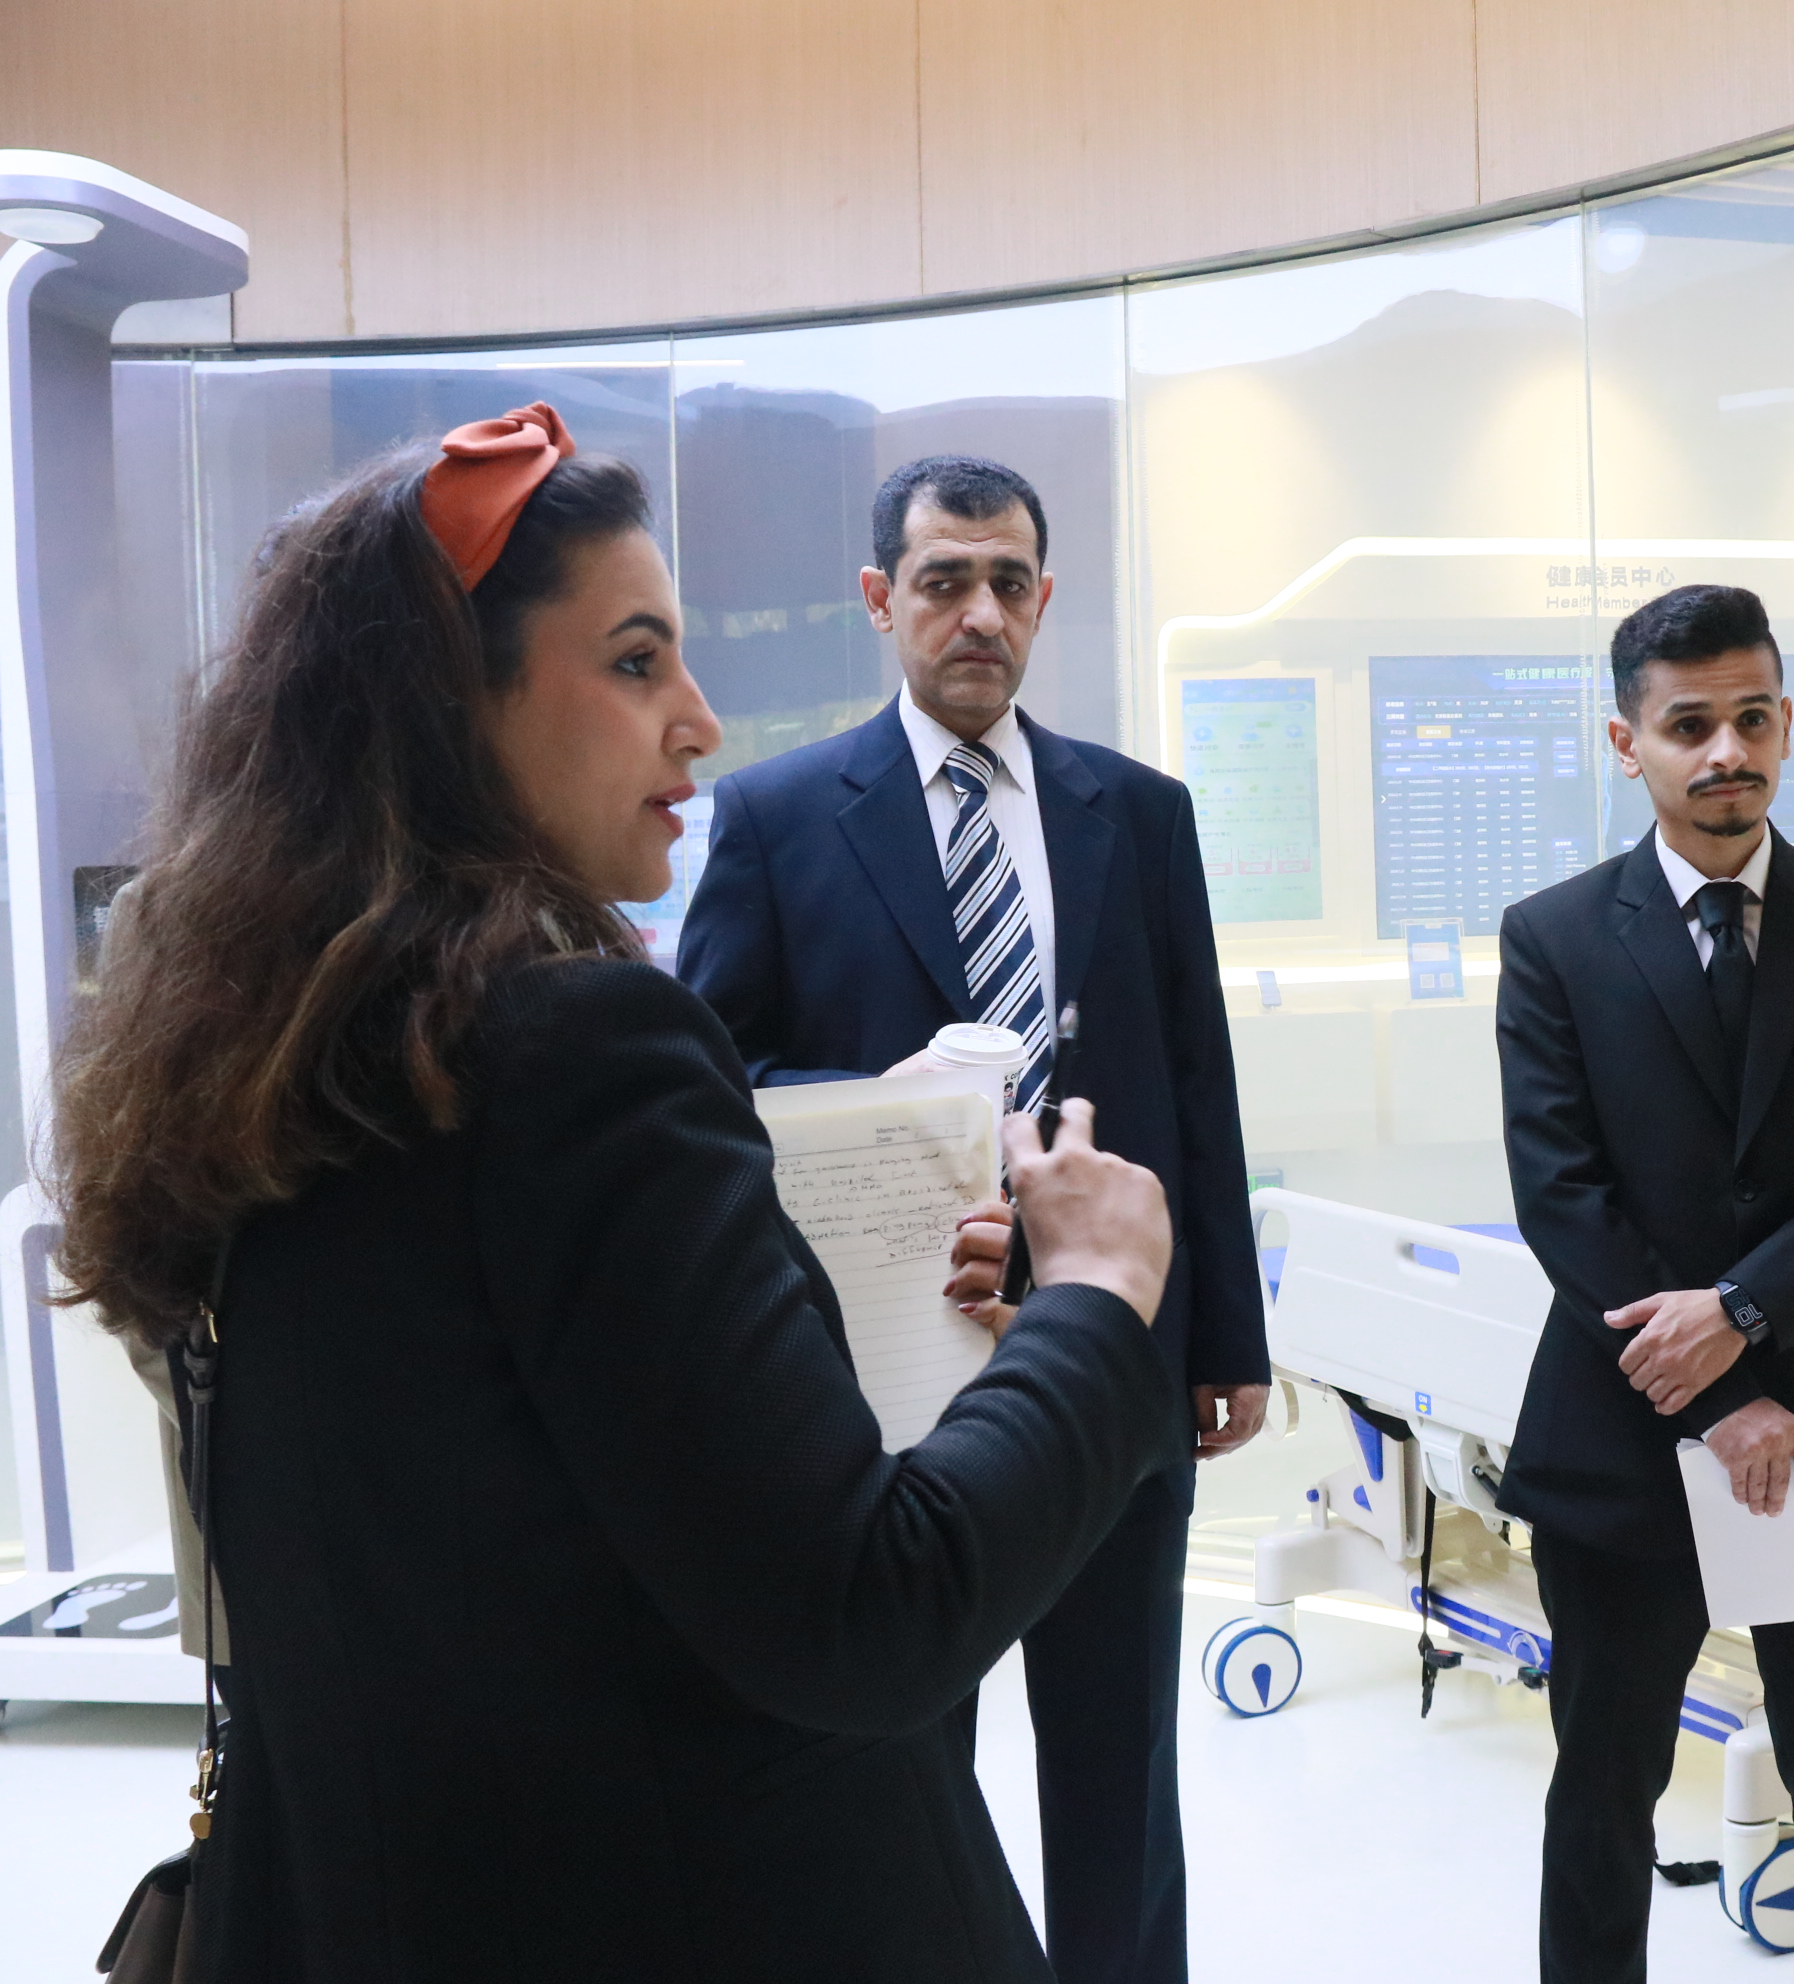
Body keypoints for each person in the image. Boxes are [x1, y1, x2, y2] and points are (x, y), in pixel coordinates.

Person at [46, 406, 1185, 1981]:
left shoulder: (260, 1058)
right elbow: (867, 1612)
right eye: (637, 662)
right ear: (452, 704)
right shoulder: (578, 1047)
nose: (699, 723)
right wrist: (1097, 1300)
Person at [674, 455, 1263, 1984]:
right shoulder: (778, 817)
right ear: (882, 599)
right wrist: (879, 1107)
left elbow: (1195, 1086)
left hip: (1109, 1352)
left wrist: (1227, 1336)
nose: (980, 614)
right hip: (887, 1367)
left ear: (1045, 599)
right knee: (899, 1766)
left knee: (1119, 1764)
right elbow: (709, 1077)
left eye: (1009, 583)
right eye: (945, 581)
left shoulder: (1139, 814)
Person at [1495, 585, 1794, 1984]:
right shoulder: (1556, 937)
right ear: (1625, 741)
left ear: (1788, 725)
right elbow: (1563, 1197)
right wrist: (1713, 1397)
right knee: (1603, 1795)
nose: (1726, 752)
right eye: (1688, 724)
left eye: (1752, 719)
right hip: (1627, 1427)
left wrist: (1744, 1320)